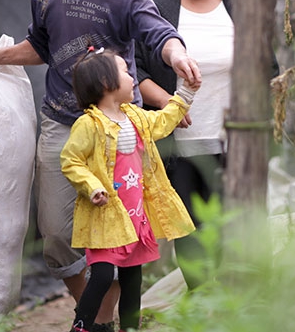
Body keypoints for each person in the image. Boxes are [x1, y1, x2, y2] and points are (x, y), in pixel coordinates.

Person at [0, 0, 201, 332]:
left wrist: (178, 55)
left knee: (125, 236)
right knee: (55, 232)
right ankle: (97, 309)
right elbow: (41, 44)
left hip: (117, 132)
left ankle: (99, 323)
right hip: (62, 123)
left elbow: (158, 33)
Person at [61, 47, 197, 332]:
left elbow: (162, 121)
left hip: (134, 219)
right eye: (125, 71)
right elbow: (71, 160)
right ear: (106, 83)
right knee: (101, 275)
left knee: (132, 279)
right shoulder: (88, 124)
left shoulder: (135, 117)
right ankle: (81, 326)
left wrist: (186, 93)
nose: (132, 76)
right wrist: (92, 186)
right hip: (105, 219)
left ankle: (130, 328)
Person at [135, 0, 236, 290]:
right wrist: (166, 104)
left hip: (230, 140)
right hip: (176, 145)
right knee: (188, 230)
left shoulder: (237, 3)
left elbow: (264, 65)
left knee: (226, 226)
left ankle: (222, 305)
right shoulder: (153, 2)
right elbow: (134, 69)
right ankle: (200, 300)